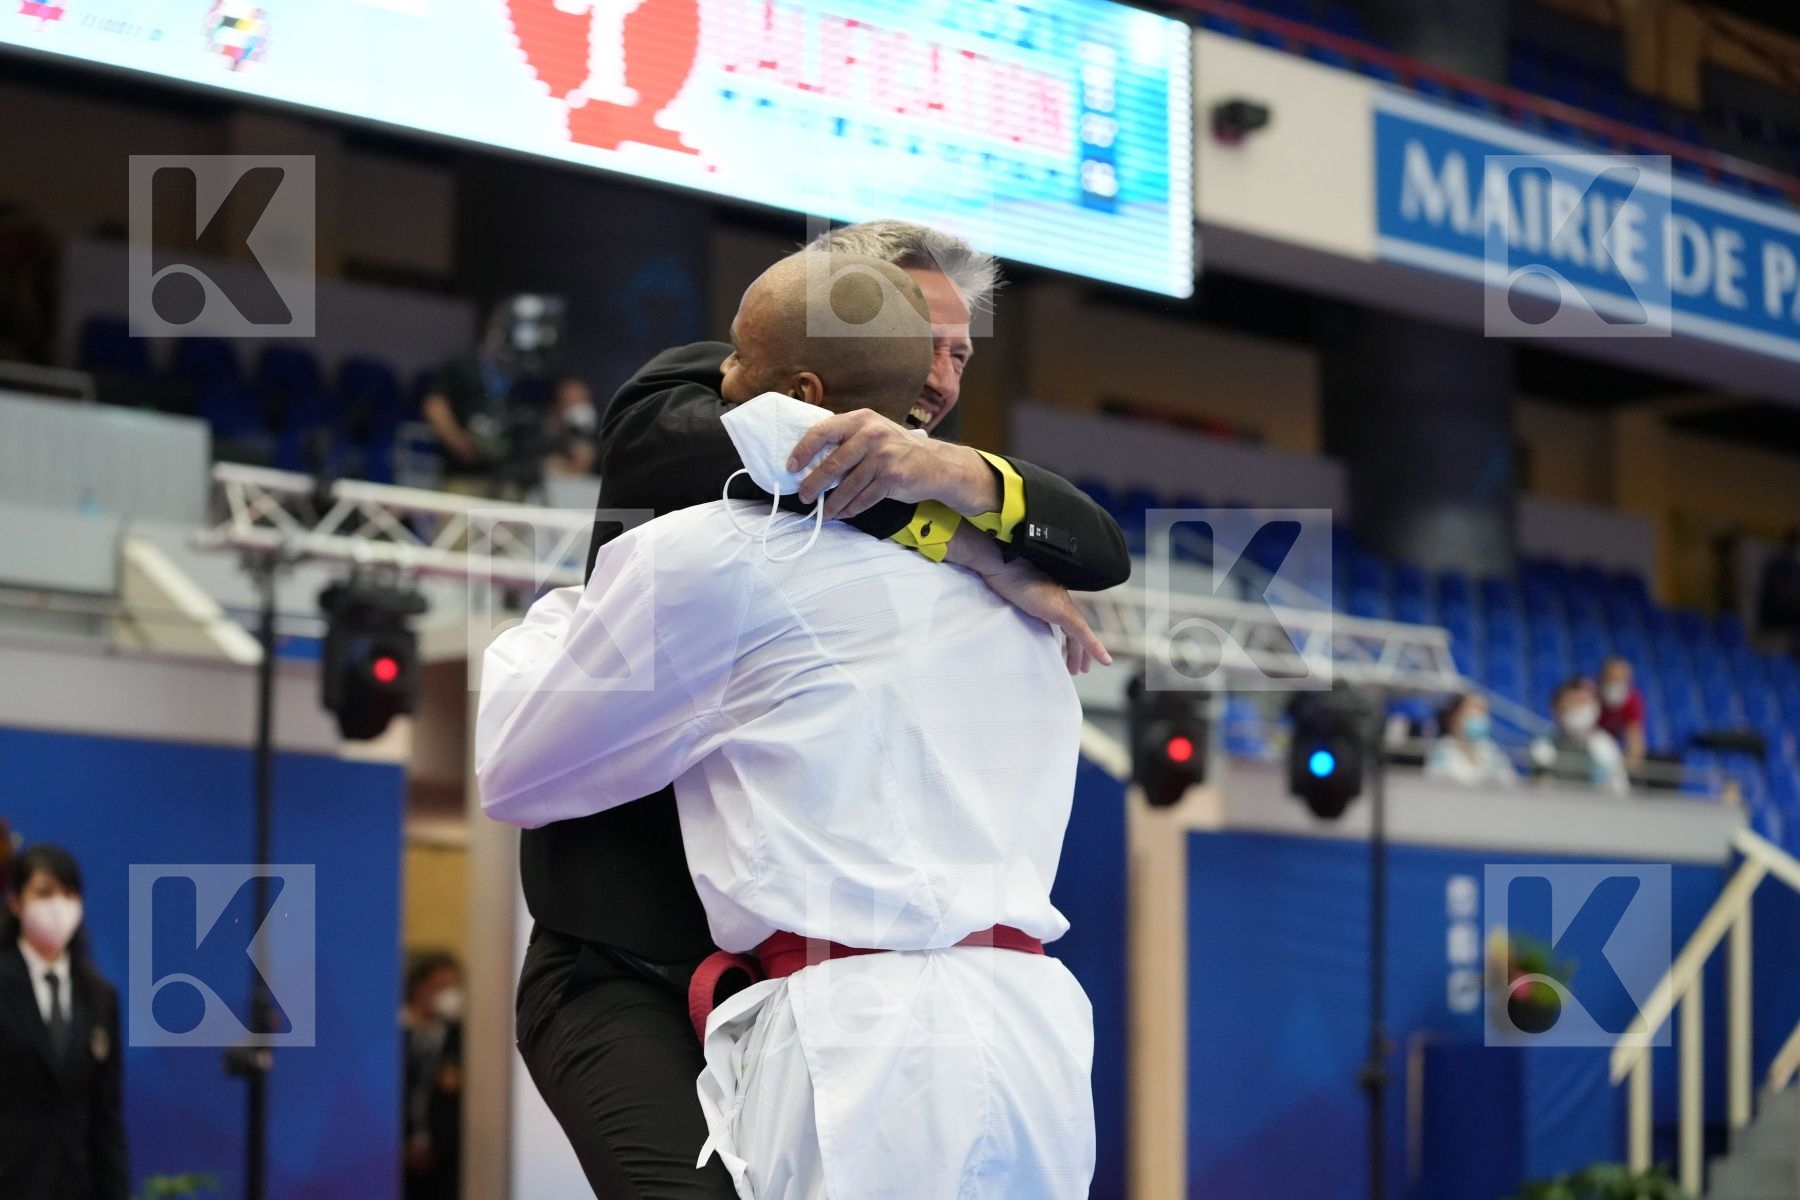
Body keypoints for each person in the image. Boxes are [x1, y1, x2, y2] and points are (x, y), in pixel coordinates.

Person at [515, 221, 1127, 1198]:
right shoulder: (701, 385)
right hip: (624, 954)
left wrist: (958, 476)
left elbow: (1096, 550)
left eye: (960, 351)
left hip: (792, 968)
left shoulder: (935, 463)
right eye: (918, 337)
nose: (936, 375)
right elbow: (768, 459)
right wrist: (963, 541)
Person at [0, 843, 127, 1200]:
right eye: (44, 893)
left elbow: (107, 1117)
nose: (58, 906)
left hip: (76, 1184)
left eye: (69, 894)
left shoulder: (100, 996)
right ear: (15, 901)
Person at [400, 950, 464, 1200]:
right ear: (419, 987)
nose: (447, 996)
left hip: (444, 1163)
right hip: (393, 1157)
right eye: (440, 986)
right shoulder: (394, 1035)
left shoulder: (461, 1039)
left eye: (452, 988)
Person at [1529, 678, 1629, 796]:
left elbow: (1620, 792)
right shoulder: (1542, 747)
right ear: (1556, 709)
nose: (1580, 709)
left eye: (1585, 702)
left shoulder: (1605, 745)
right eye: (1573, 703)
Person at [1425, 692, 1518, 787]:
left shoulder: (1493, 753)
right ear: (1455, 717)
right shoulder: (1442, 752)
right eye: (1474, 710)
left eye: (1483, 711)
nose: (1479, 717)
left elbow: (1509, 784)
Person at [1596, 655, 1647, 768]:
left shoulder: (1632, 700)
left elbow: (1636, 742)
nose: (1616, 685)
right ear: (1601, 678)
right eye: (1612, 679)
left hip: (1613, 750)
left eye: (1621, 680)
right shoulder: (1590, 694)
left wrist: (1626, 767)